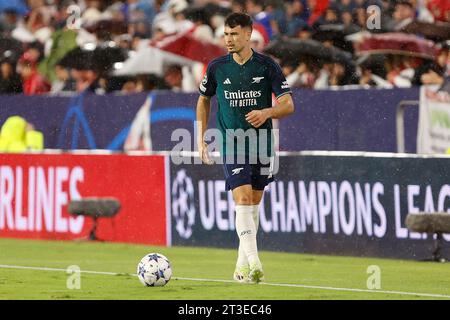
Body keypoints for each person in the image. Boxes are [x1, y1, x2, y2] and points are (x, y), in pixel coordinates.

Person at [196, 12, 295, 284]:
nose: (228, 39)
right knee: (241, 200)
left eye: (234, 34)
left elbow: (288, 104)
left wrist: (266, 113)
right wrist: (200, 137)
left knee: (253, 205)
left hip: (262, 144)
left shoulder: (267, 66)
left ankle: (241, 268)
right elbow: (203, 100)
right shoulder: (217, 67)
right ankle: (255, 261)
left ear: (248, 34)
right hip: (232, 143)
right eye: (225, 34)